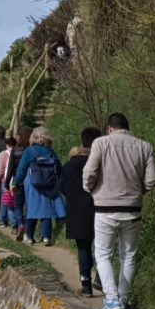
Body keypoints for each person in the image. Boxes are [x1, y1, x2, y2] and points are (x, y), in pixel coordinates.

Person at [82, 113, 155, 309]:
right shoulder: (145, 146)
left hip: (105, 209)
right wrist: (137, 191)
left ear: (110, 128)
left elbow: (89, 173)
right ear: (127, 127)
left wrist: (91, 189)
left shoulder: (100, 143)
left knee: (103, 254)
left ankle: (112, 299)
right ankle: (123, 299)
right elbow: (151, 180)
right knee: (129, 255)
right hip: (133, 209)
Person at [63, 127, 101, 297]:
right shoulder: (101, 162)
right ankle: (101, 278)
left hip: (77, 212)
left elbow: (62, 187)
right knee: (102, 247)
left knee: (83, 248)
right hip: (100, 208)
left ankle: (86, 285)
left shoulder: (69, 165)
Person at [13, 126, 66, 246]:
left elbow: (21, 169)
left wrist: (17, 182)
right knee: (46, 209)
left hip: (32, 184)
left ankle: (29, 236)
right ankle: (46, 237)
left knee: (32, 210)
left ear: (33, 137)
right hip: (49, 183)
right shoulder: (50, 151)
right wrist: (57, 181)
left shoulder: (29, 151)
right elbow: (59, 167)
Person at [4, 127, 32, 241]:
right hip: (30, 181)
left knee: (17, 206)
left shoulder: (15, 150)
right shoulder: (31, 149)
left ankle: (20, 225)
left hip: (18, 181)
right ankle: (29, 230)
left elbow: (10, 168)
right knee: (29, 206)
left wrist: (7, 184)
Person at [0, 136, 16, 227]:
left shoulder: (3, 154)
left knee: (5, 201)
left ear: (7, 144)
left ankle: (3, 220)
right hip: (16, 179)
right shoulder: (18, 152)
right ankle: (17, 221)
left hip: (6, 179)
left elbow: (0, 170)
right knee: (14, 201)